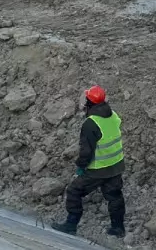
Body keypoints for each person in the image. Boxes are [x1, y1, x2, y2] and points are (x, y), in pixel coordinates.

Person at [51, 85, 126, 237]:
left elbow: (86, 151)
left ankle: (71, 224)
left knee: (74, 191)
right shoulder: (112, 115)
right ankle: (118, 229)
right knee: (114, 196)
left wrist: (81, 166)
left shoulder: (91, 124)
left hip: (99, 169)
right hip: (116, 165)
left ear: (89, 103)